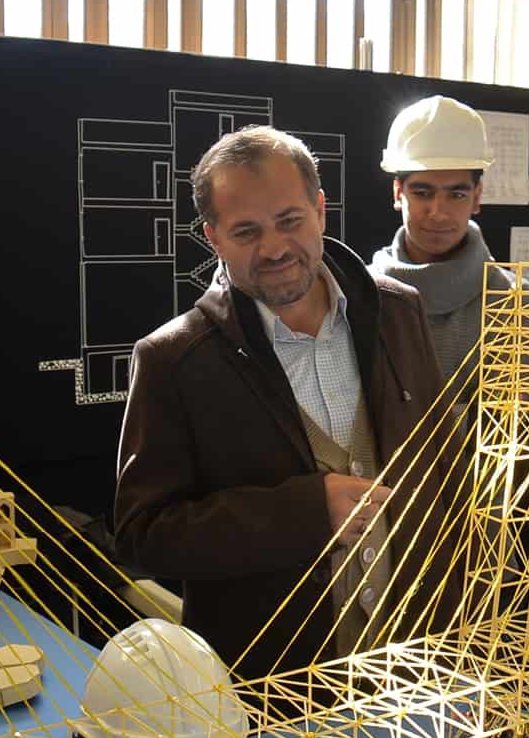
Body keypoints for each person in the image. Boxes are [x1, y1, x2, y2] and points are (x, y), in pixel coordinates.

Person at [112, 126, 452, 689]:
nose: (273, 249)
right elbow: (144, 536)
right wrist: (303, 513)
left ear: (320, 210)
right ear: (213, 238)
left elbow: (444, 472)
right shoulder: (172, 359)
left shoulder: (398, 311)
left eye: (289, 220)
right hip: (275, 694)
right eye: (246, 231)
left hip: (416, 672)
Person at [369, 95, 512, 386]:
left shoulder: (513, 301)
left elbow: (515, 410)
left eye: (456, 194)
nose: (438, 213)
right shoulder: (358, 292)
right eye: (422, 193)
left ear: (476, 197)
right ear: (398, 193)